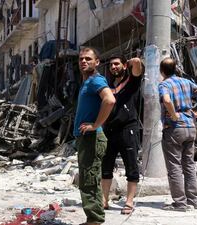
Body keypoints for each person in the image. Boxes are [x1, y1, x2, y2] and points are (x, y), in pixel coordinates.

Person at [158, 57, 197, 211]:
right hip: (190, 126)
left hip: (174, 128)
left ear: (162, 71)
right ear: (175, 69)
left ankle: (180, 203)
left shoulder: (164, 84)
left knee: (174, 166)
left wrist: (173, 115)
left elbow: (167, 100)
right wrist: (196, 113)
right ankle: (193, 201)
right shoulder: (186, 82)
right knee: (189, 166)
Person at [74, 47, 116, 225]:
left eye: (88, 59)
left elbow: (110, 99)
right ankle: (93, 218)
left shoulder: (96, 80)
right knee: (87, 179)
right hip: (86, 139)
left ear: (97, 62)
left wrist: (96, 125)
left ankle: (95, 219)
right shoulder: (87, 82)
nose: (84, 61)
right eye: (81, 59)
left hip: (92, 138)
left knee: (90, 180)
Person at [101, 55, 143, 214]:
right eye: (111, 65)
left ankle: (129, 202)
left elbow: (138, 65)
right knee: (106, 168)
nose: (113, 67)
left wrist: (133, 62)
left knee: (131, 167)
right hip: (109, 130)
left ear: (124, 66)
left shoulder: (131, 81)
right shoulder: (108, 85)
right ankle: (104, 200)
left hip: (128, 129)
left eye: (117, 64)